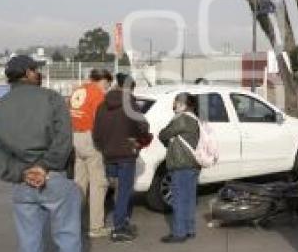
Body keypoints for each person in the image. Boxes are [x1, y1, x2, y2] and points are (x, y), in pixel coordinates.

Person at [0, 55, 86, 252]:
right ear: (28, 73)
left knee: (29, 244)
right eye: (36, 70)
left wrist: (22, 172)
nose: (39, 73)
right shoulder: (51, 99)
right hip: (54, 177)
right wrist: (44, 167)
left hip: (22, 184)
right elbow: (64, 139)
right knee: (68, 237)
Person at [93, 75, 150, 242]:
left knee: (115, 190)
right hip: (125, 153)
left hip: (108, 154)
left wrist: (104, 147)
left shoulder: (102, 105)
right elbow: (142, 127)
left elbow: (96, 132)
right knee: (124, 191)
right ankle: (119, 227)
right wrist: (141, 137)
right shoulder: (130, 104)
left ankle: (120, 220)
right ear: (131, 88)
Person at [69, 68, 113, 238]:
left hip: (76, 136)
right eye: (108, 84)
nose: (107, 88)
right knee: (98, 184)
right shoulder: (98, 95)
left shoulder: (78, 90)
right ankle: (96, 226)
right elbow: (100, 121)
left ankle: (76, 222)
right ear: (104, 81)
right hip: (90, 138)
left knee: (79, 183)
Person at [158, 92, 201, 243]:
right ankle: (189, 229)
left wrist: (166, 136)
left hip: (181, 164)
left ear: (183, 104)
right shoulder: (195, 119)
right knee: (189, 198)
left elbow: (163, 134)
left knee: (179, 199)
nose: (173, 105)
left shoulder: (181, 119)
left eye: (175, 102)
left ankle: (179, 233)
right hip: (193, 164)